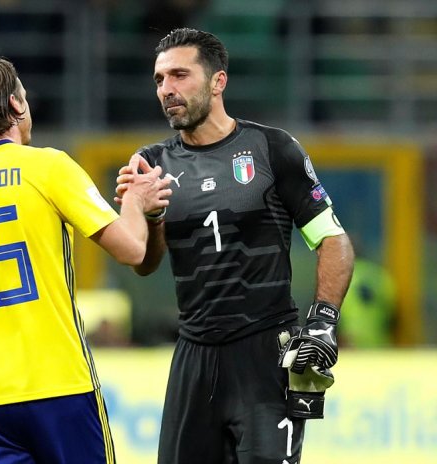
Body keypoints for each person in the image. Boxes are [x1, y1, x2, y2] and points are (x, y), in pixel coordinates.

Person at [115, 28, 354, 464]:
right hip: (193, 356)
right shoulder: (152, 164)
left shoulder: (271, 148)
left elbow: (333, 240)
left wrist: (322, 323)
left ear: (217, 81)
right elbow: (145, 265)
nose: (166, 89)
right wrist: (149, 217)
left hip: (265, 353)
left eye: (179, 75)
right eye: (159, 79)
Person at [0, 56, 171, 464]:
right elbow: (134, 250)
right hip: (59, 385)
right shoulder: (49, 167)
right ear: (16, 105)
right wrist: (138, 202)